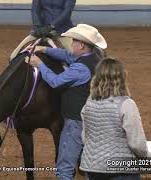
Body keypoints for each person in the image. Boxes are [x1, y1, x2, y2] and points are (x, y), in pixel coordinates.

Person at [26, 24, 107, 180]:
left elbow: (56, 81)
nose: (71, 44)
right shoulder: (94, 57)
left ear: (82, 45)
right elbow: (67, 56)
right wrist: (44, 50)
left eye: (74, 42)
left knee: (64, 167)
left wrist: (40, 64)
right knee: (91, 163)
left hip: (76, 121)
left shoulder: (79, 68)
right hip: (92, 118)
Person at [79, 58, 151, 180]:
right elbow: (136, 144)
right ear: (122, 78)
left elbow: (84, 138)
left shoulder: (88, 104)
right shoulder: (126, 104)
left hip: (92, 168)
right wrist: (148, 157)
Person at [10, 0, 76, 61]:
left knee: (75, 56)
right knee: (13, 56)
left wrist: (51, 26)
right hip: (41, 28)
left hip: (61, 30)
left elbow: (66, 12)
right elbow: (35, 9)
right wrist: (38, 25)